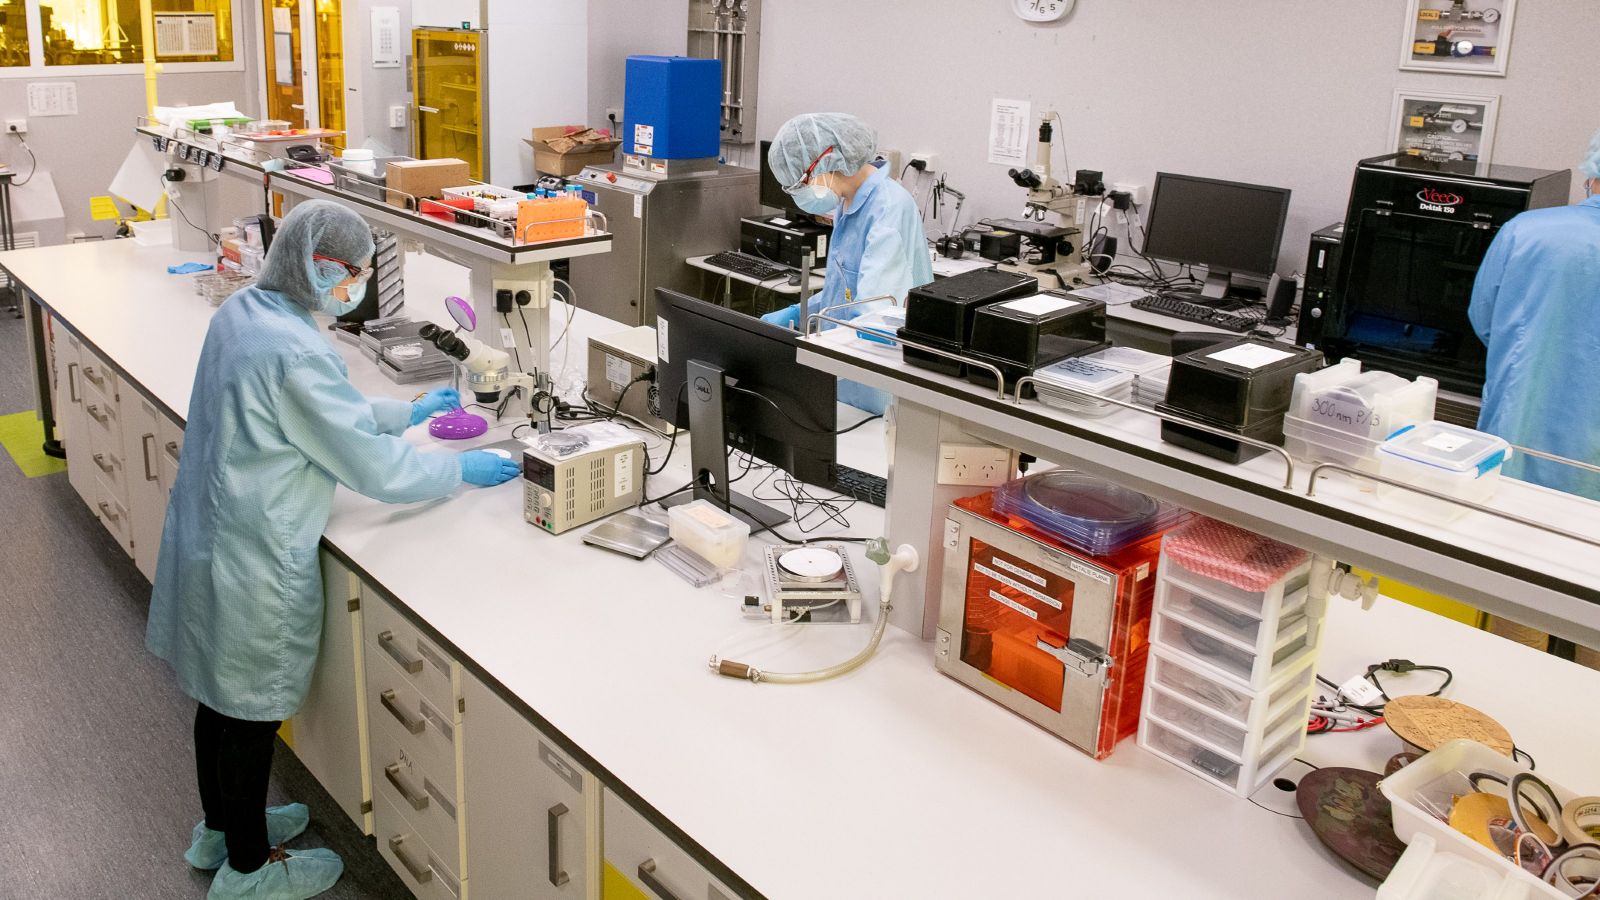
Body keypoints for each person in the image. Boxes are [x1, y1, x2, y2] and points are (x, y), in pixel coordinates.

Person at [145, 200, 521, 900]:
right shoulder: (296, 349)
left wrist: (401, 413)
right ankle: (250, 870)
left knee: (217, 699)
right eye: (351, 273)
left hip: (210, 530)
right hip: (255, 551)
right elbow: (374, 470)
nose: (357, 285)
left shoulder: (246, 315)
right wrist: (457, 471)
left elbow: (318, 408)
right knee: (251, 711)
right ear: (319, 266)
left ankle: (222, 828)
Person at [761, 113, 933, 414]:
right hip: (843, 379)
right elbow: (844, 291)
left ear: (827, 160)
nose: (800, 194)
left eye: (800, 183)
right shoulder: (848, 203)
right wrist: (800, 313)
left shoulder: (888, 210)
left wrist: (812, 347)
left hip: (879, 390)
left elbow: (874, 315)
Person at [1468, 128, 1600, 500]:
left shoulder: (1524, 232)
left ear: (1592, 175)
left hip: (1518, 430)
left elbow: (1485, 320)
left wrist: (1529, 354)